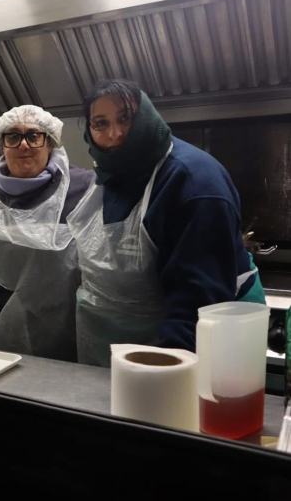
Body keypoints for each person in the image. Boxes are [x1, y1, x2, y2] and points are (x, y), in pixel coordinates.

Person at [68, 78, 265, 366]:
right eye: (100, 123)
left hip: (197, 342)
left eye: (126, 118)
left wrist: (163, 372)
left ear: (146, 116)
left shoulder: (194, 182)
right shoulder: (112, 173)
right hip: (116, 346)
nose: (115, 134)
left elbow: (198, 302)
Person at [0, 105, 94, 358]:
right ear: (2, 146)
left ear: (50, 143)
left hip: (56, 326)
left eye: (34, 136)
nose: (24, 145)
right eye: (13, 136)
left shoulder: (83, 188)